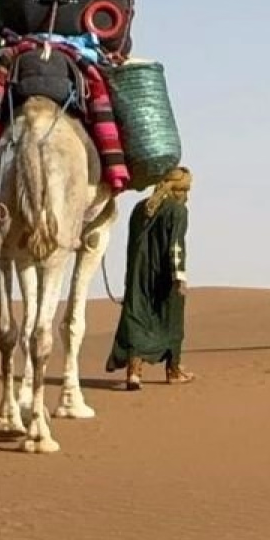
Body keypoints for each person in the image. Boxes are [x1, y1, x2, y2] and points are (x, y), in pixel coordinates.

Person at [106, 167, 194, 389]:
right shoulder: (177, 211)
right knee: (171, 319)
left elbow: (132, 245)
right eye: (187, 190)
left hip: (138, 274)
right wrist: (179, 276)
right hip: (164, 275)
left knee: (138, 318)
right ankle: (173, 370)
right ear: (179, 190)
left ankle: (134, 373)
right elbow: (176, 246)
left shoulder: (139, 209)